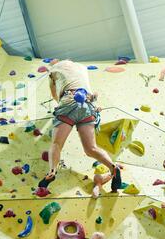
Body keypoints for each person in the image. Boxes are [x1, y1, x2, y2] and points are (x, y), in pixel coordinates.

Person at [42, 59, 122, 198]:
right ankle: (112, 167)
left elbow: (54, 93)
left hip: (68, 101)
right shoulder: (81, 68)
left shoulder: (54, 69)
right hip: (88, 105)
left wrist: (61, 104)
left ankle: (52, 171)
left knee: (57, 144)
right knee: (91, 148)